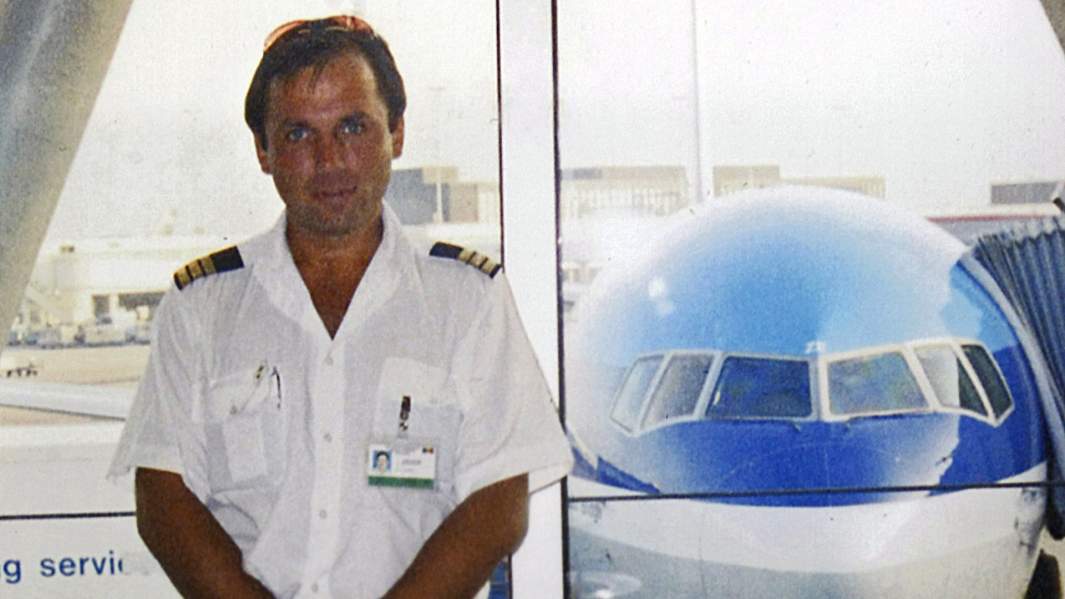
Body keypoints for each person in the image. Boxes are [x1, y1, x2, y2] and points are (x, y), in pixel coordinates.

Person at [109, 15, 572, 599]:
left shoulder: (466, 298)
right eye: (299, 134)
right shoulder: (202, 306)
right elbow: (163, 498)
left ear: (396, 133)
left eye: (352, 127)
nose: (329, 159)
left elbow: (499, 502)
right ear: (263, 151)